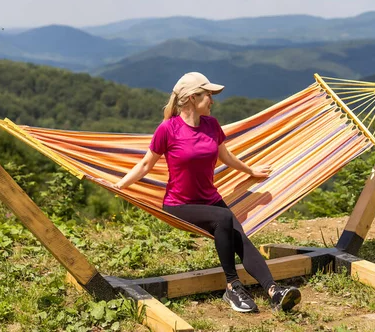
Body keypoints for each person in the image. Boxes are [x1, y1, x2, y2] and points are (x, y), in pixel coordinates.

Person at [112, 72, 301, 313]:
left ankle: (275, 292)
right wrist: (119, 186)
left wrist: (250, 170)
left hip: (210, 200)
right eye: (208, 95)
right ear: (192, 98)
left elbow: (226, 156)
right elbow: (145, 165)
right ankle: (232, 287)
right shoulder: (168, 129)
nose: (212, 100)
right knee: (223, 218)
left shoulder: (211, 125)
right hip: (179, 205)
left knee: (239, 236)